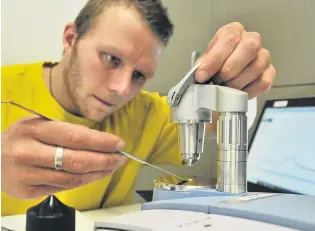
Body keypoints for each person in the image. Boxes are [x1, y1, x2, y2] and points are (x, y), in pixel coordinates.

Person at [1, 0, 276, 216]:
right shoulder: (5, 90)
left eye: (139, 75)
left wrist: (238, 83)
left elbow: (221, 119)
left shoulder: (146, 113)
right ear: (71, 38)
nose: (122, 89)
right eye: (111, 58)